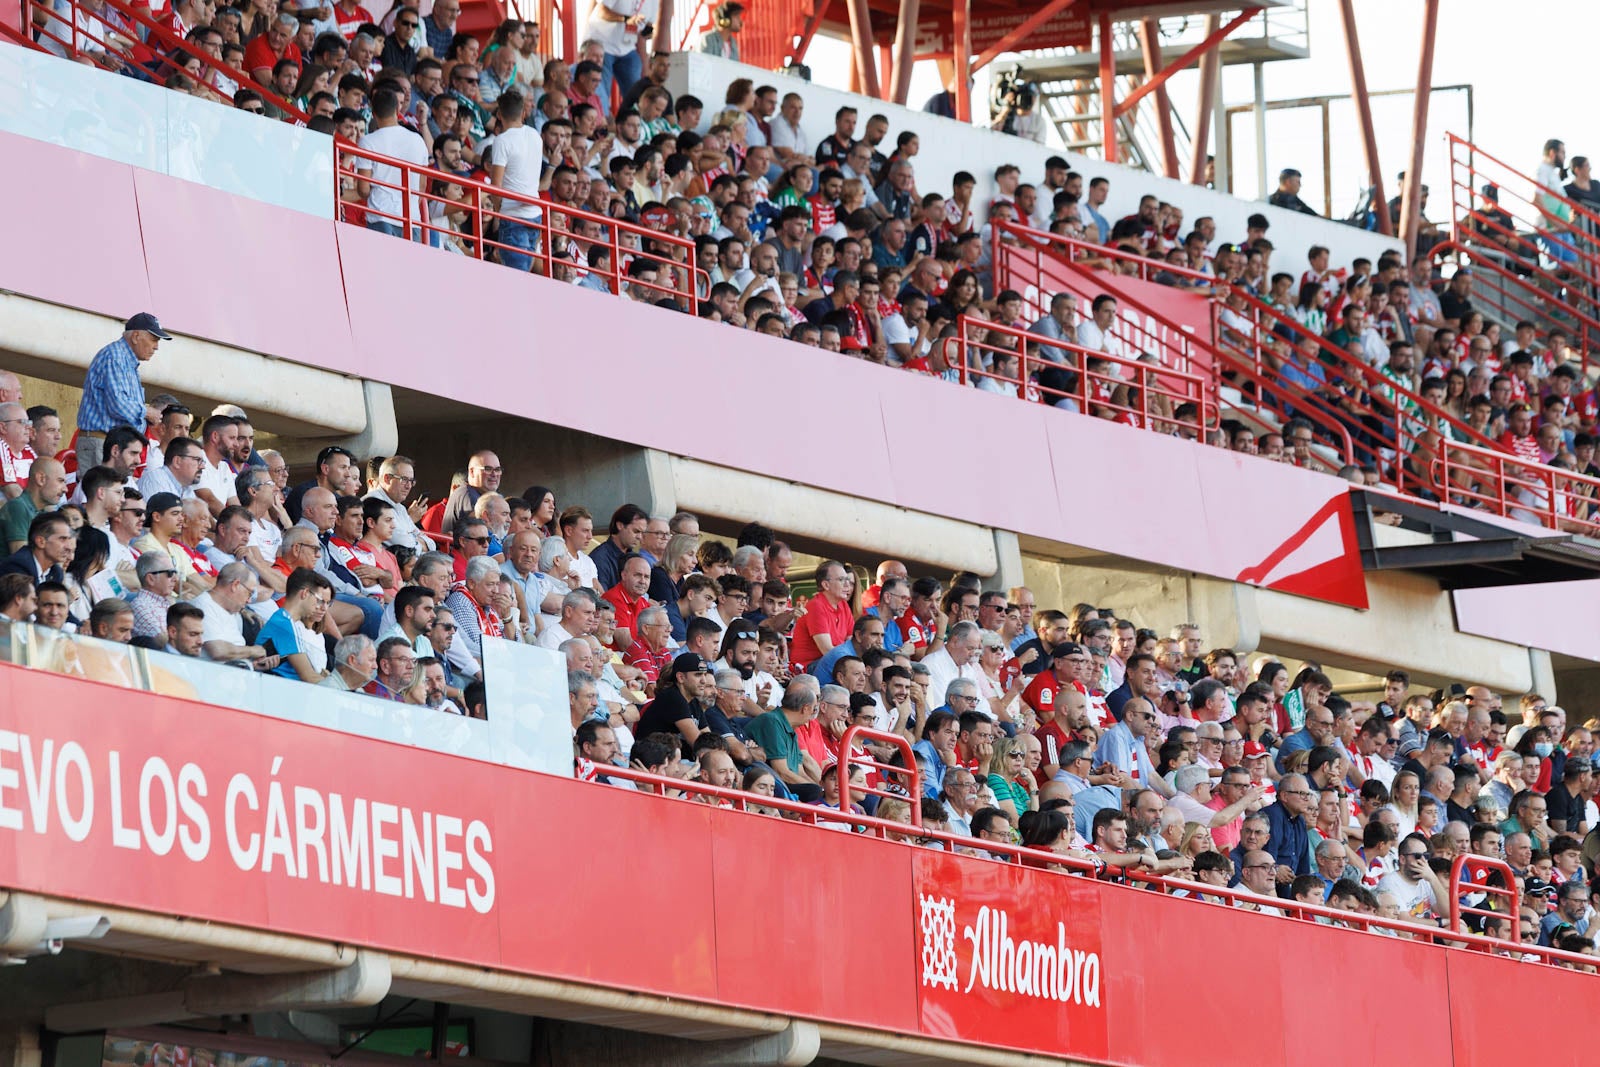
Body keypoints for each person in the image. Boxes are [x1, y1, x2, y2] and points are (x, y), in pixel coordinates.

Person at [77, 314, 170, 473]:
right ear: (135, 336)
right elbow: (118, 405)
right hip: (101, 443)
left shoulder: (125, 360)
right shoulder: (114, 357)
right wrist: (147, 412)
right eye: (154, 340)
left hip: (112, 445)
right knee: (101, 495)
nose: (156, 347)